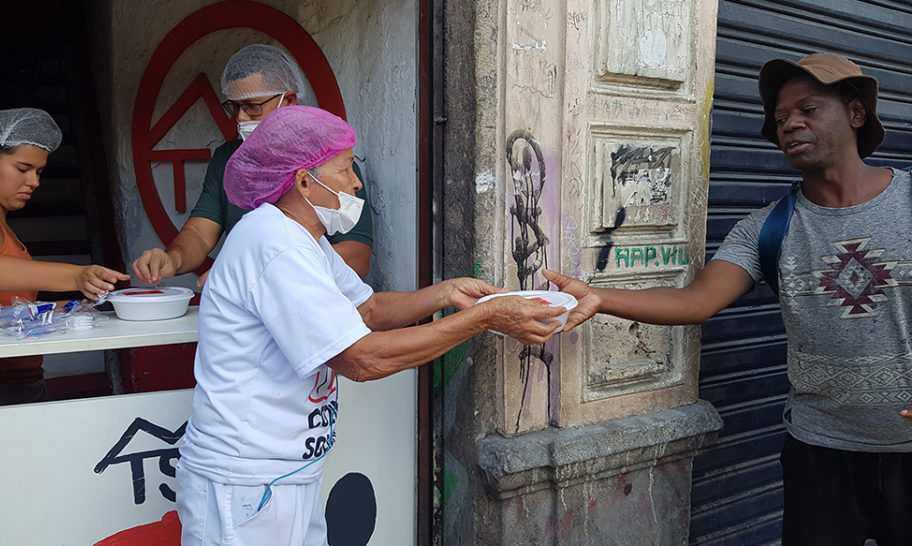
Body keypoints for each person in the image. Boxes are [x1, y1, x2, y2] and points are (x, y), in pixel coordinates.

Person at [545, 53, 912, 545]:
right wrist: (598, 296)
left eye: (808, 109)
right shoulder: (768, 228)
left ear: (855, 113)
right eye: (781, 118)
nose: (791, 125)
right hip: (820, 451)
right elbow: (696, 300)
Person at [175, 105, 564, 546]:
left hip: (284, 475)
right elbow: (359, 359)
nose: (356, 182)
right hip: (244, 482)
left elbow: (368, 308)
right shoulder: (273, 243)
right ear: (304, 181)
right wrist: (483, 318)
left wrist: (447, 293)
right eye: (344, 169)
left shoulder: (306, 240)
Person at [132, 44, 373, 285]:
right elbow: (199, 234)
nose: (240, 117)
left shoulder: (330, 164)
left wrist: (248, 272)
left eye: (251, 106)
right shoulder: (227, 160)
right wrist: (172, 259)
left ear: (288, 101)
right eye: (234, 106)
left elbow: (357, 256)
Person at [0, 108, 129, 406]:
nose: (34, 182)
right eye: (22, 169)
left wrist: (60, 308)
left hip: (12, 379)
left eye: (39, 172)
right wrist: (75, 275)